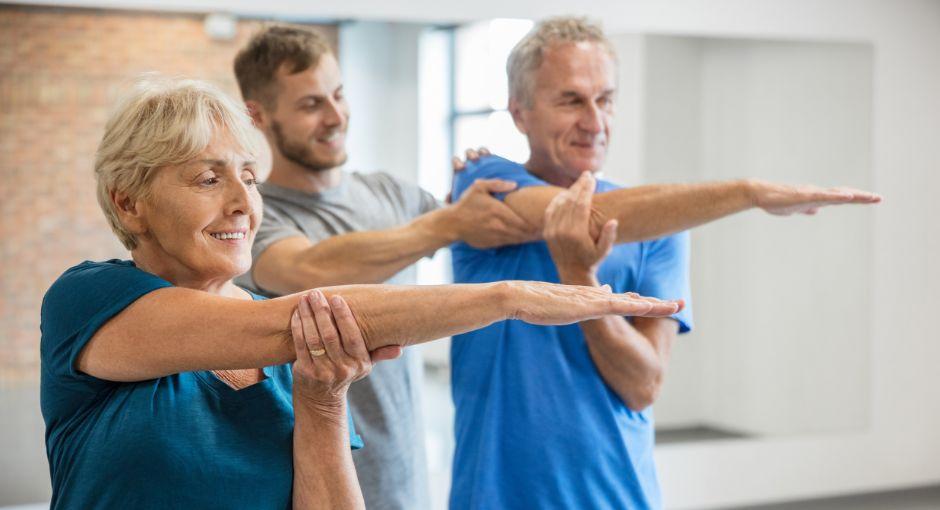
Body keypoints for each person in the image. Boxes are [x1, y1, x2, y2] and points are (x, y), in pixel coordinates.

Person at [38, 75, 683, 510]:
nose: (242, 204)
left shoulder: (289, 343)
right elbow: (309, 314)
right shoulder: (89, 301)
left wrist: (323, 401)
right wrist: (509, 296)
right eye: (209, 178)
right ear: (130, 203)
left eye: (250, 179)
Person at [448, 17, 882, 509]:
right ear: (520, 113)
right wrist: (748, 193)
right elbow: (587, 217)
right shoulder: (483, 186)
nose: (595, 121)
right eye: (571, 100)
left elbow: (643, 385)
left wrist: (581, 278)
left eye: (606, 99)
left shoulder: (661, 228)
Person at [231, 25, 540, 510]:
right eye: (311, 105)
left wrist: (488, 178)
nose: (336, 116)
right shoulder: (255, 213)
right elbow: (308, 269)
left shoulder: (394, 194)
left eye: (338, 95)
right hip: (311, 485)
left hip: (404, 476)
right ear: (259, 115)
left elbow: (486, 223)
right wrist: (447, 224)